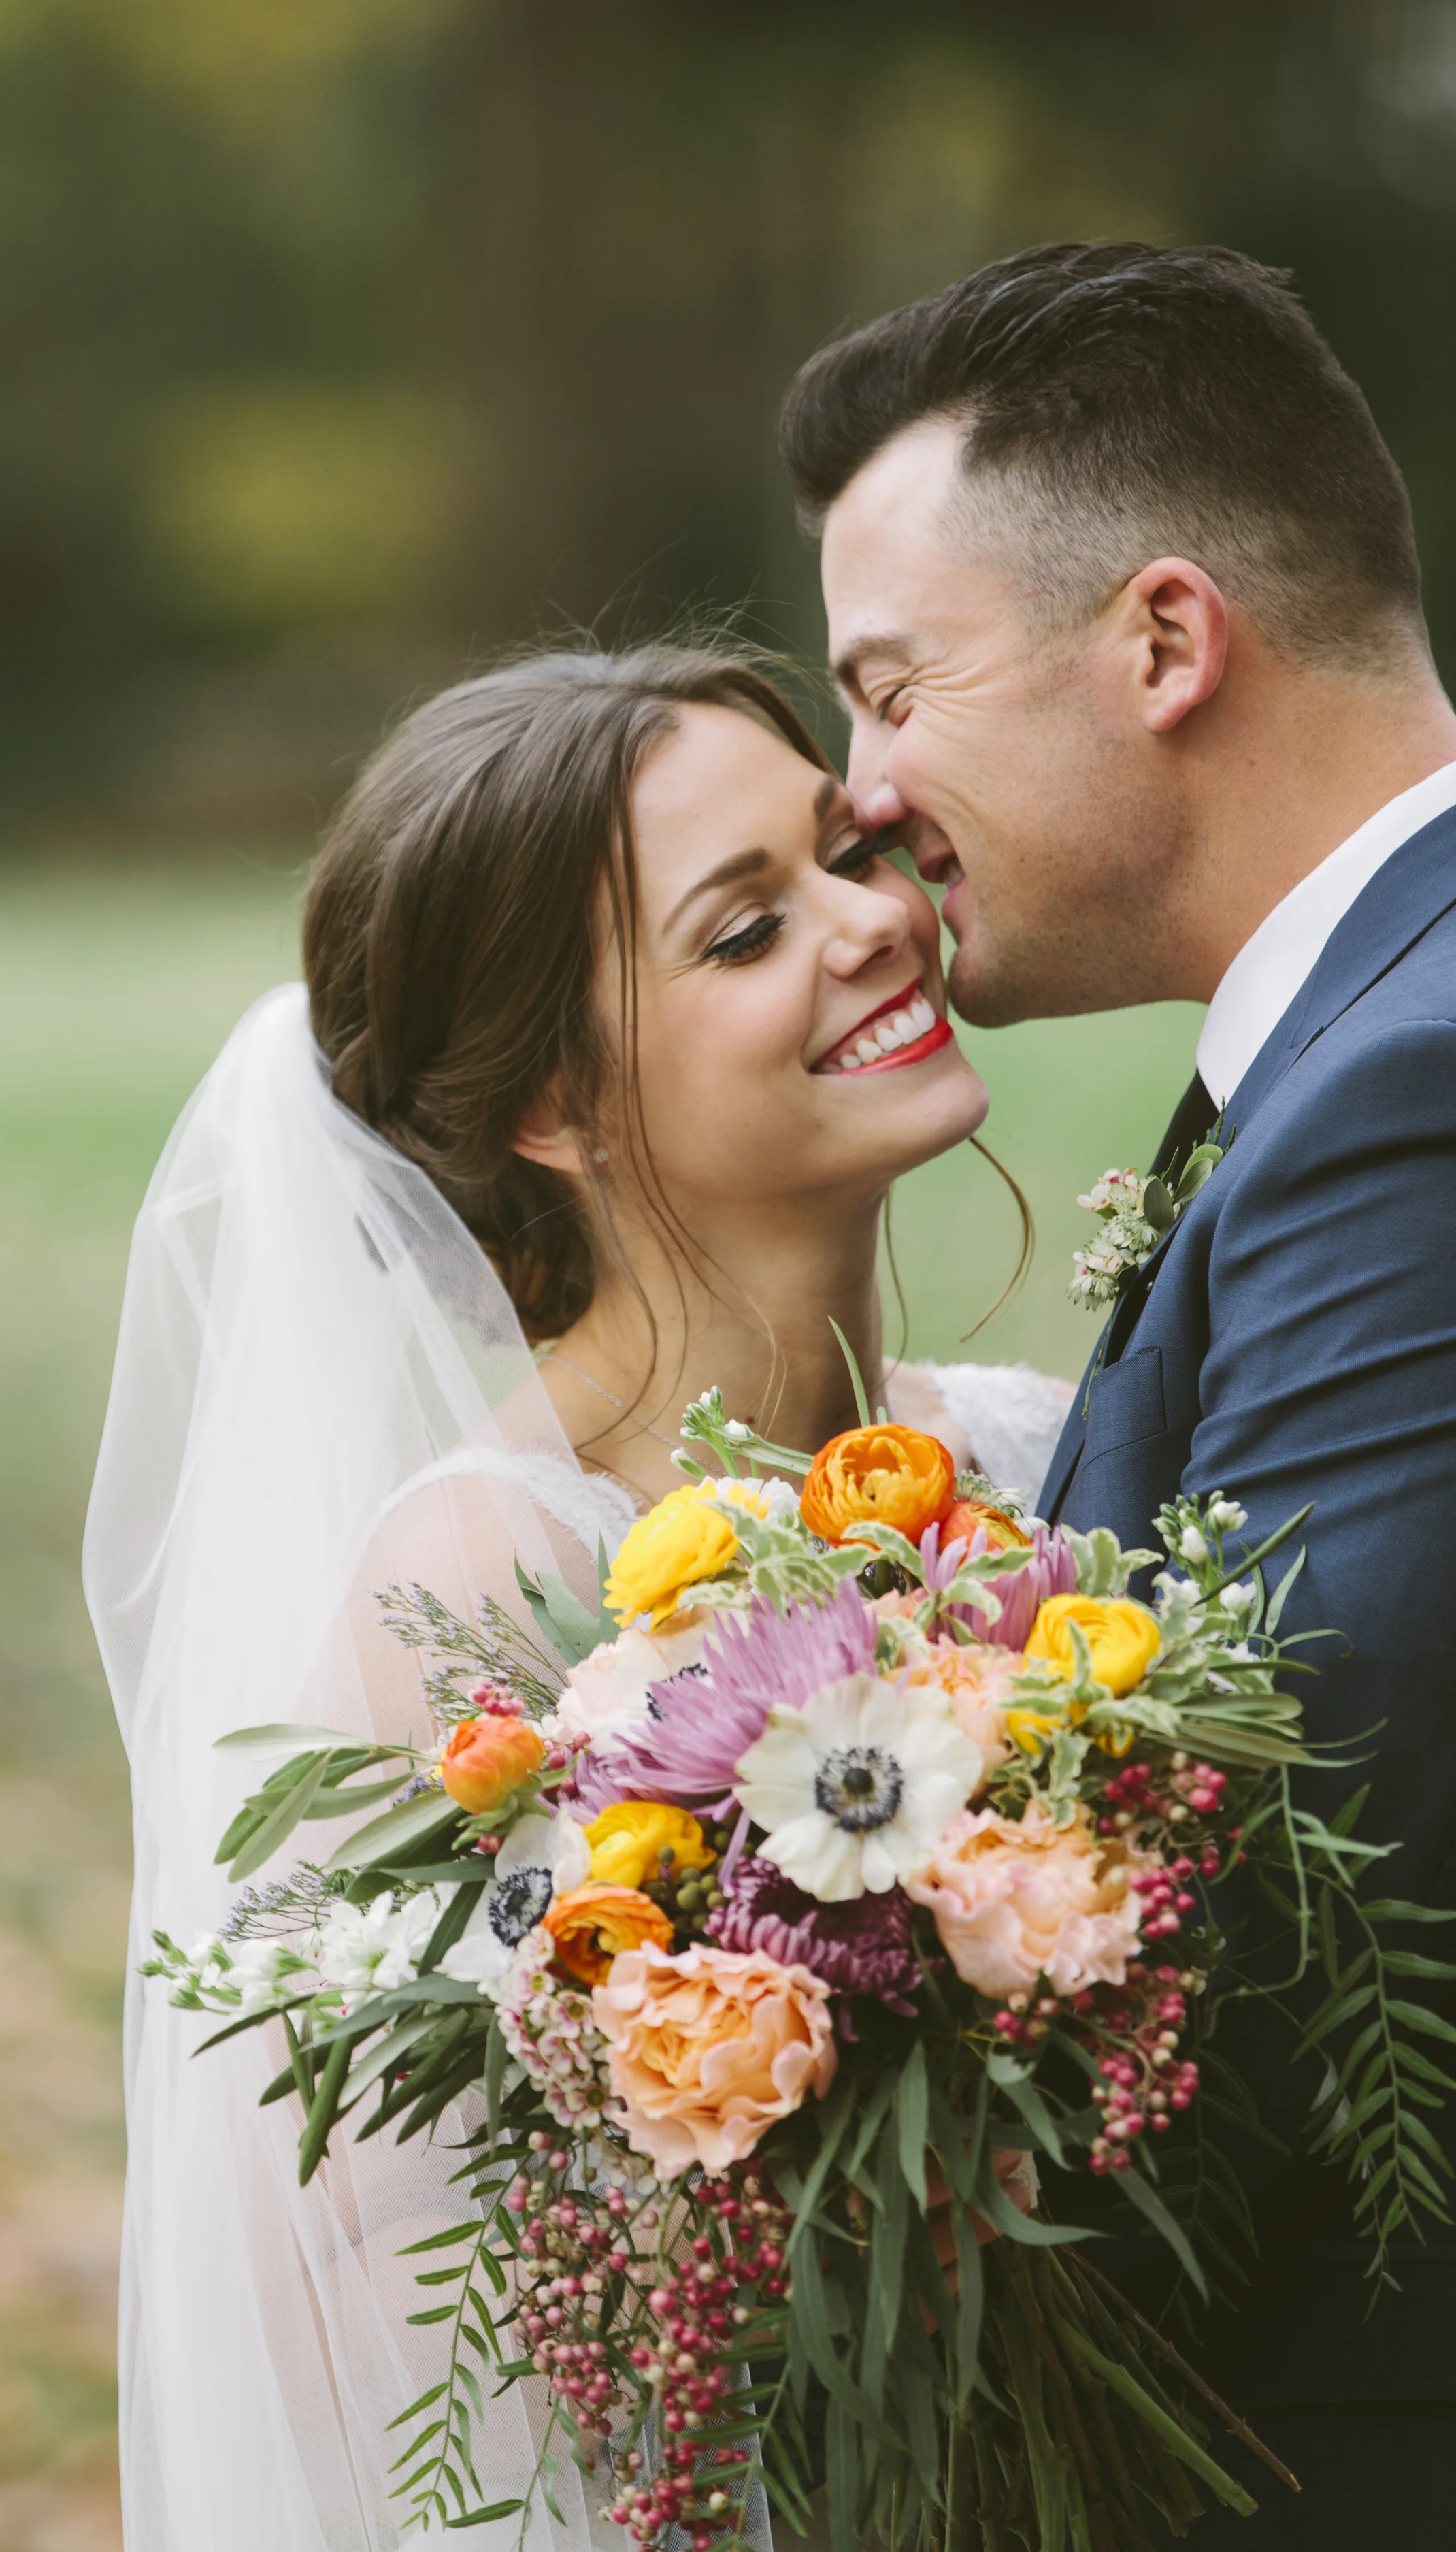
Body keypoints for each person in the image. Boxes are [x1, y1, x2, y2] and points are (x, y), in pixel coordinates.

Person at [86, 644, 1070, 2551]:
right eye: (743, 928)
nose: (876, 923)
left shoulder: (1047, 1464)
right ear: (553, 1100)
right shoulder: (474, 1583)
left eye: (847, 847)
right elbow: (353, 2326)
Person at [781, 240, 1456, 2549]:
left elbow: (1293, 1882)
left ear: (1163, 640)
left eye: (889, 687)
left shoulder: (1410, 1089)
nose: (855, 798)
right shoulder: (1358, 1032)